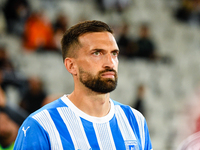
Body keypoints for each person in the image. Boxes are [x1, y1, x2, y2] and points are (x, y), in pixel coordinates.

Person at [14, 20, 153, 150]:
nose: (110, 63)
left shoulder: (135, 121)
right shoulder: (41, 125)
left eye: (114, 53)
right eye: (97, 53)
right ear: (71, 65)